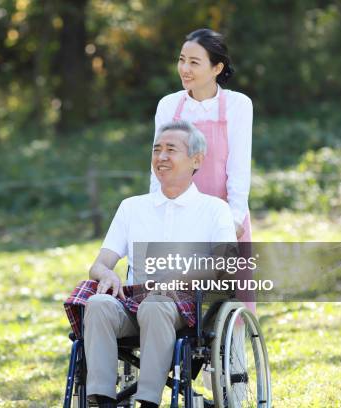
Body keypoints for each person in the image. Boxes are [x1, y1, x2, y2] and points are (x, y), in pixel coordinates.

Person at [66, 121, 236, 408]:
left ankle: (147, 402)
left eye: (171, 150)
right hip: (132, 302)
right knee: (97, 304)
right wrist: (107, 275)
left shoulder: (214, 209)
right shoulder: (132, 207)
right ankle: (102, 400)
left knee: (155, 305)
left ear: (196, 159)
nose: (162, 157)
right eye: (157, 150)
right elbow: (99, 264)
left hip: (184, 306)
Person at [150, 28, 253, 242]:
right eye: (182, 60)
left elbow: (239, 168)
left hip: (224, 218)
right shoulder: (168, 106)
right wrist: (156, 214)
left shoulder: (238, 105)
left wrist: (234, 219)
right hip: (177, 217)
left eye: (194, 62)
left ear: (217, 67)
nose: (184, 69)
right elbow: (159, 168)